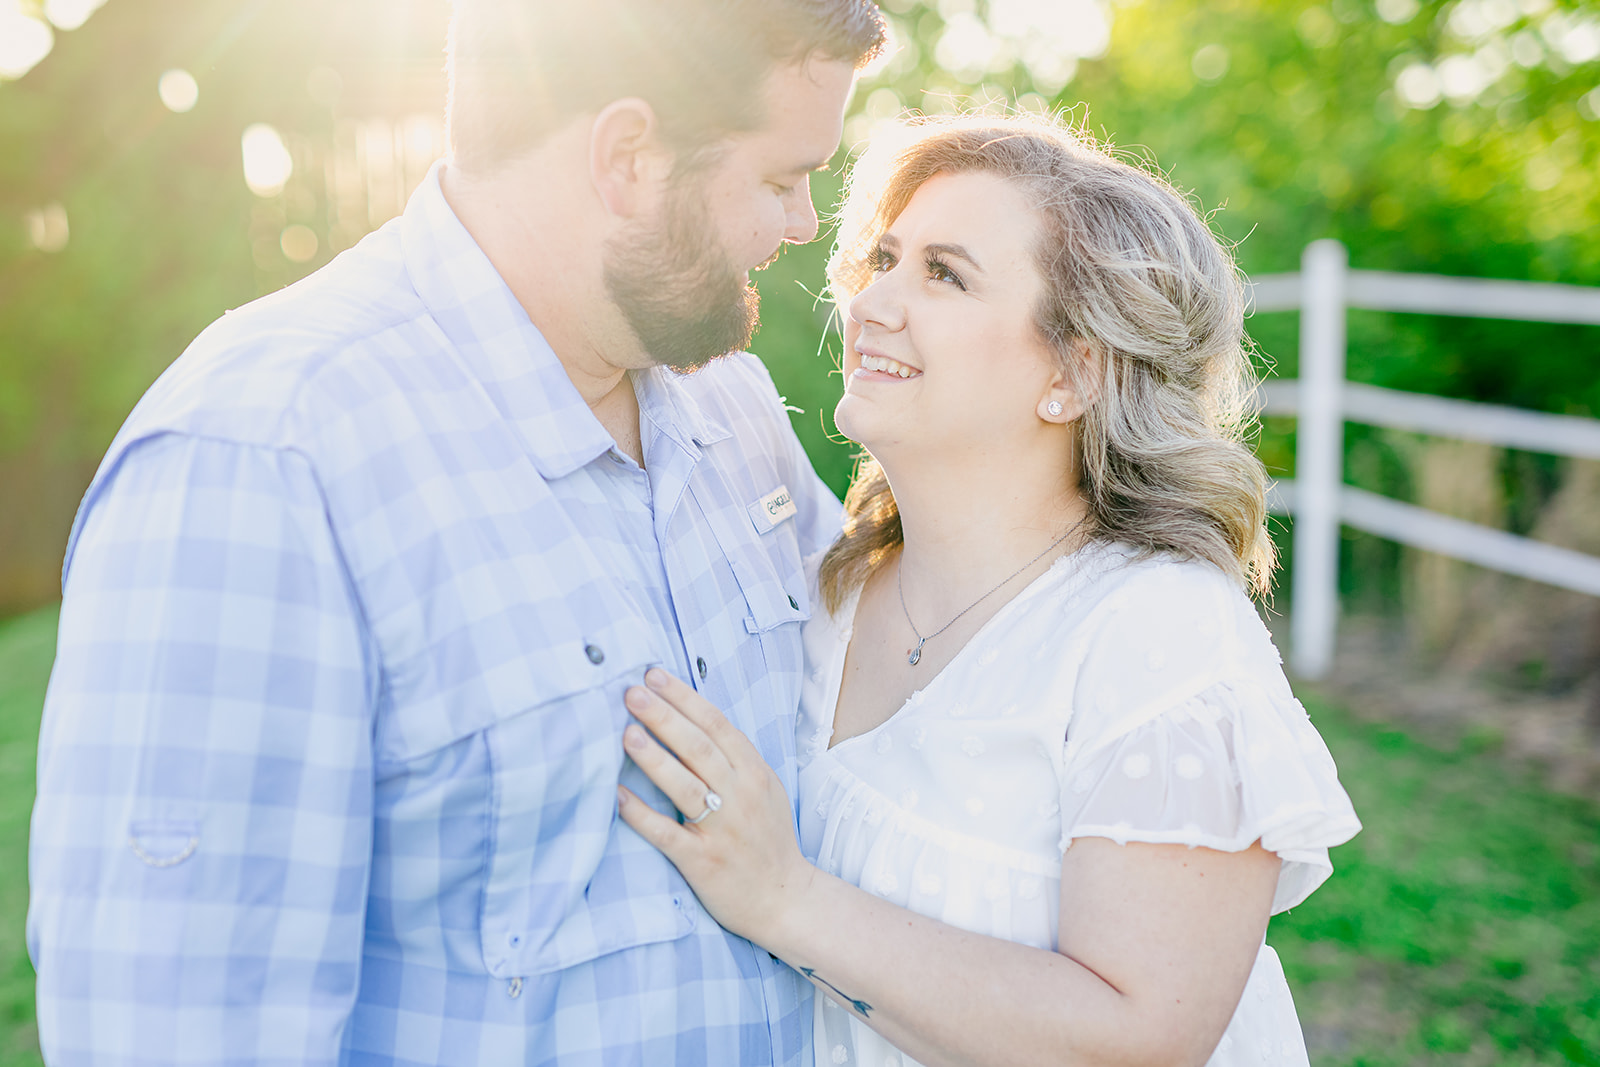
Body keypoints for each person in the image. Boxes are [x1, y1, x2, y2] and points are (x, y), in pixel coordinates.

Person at [27, 2, 885, 1064]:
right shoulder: (264, 454)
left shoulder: (735, 412)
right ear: (626, 156)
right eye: (777, 177)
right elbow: (180, 1028)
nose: (804, 222)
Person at [614, 112, 1363, 1067]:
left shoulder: (1155, 631)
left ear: (1075, 369)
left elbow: (1138, 1038)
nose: (875, 302)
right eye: (883, 259)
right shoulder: (826, 586)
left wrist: (784, 898)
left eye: (944, 274)